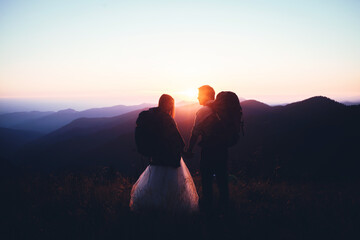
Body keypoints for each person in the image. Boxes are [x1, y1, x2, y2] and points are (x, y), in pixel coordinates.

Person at [130, 94, 199, 213]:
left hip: (156, 156)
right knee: (171, 183)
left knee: (156, 182)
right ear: (170, 105)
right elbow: (176, 138)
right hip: (170, 157)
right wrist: (185, 151)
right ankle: (170, 208)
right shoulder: (167, 118)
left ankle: (153, 207)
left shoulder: (152, 117)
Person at [186, 85, 229, 213]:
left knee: (207, 179)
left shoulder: (203, 111)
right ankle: (225, 208)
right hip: (223, 148)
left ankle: (208, 210)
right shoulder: (222, 109)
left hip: (209, 150)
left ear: (206, 95)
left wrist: (189, 150)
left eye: (199, 94)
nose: (198, 97)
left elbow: (195, 133)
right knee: (222, 178)